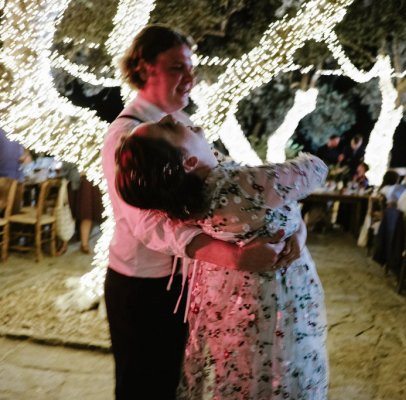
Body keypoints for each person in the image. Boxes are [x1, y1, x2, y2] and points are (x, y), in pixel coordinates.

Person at [102, 25, 296, 400]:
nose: (190, 78)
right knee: (143, 387)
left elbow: (230, 185)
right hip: (144, 288)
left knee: (178, 384)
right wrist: (235, 257)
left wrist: (290, 227)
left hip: (187, 282)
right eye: (177, 67)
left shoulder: (185, 124)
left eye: (191, 67)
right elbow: (148, 224)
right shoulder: (126, 136)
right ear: (144, 68)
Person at [115, 115, 329, 399]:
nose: (173, 118)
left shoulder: (189, 202)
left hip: (234, 304)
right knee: (283, 366)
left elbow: (280, 211)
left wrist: (296, 229)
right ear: (188, 163)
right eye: (168, 126)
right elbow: (316, 169)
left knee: (243, 370)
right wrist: (297, 230)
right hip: (279, 294)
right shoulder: (244, 184)